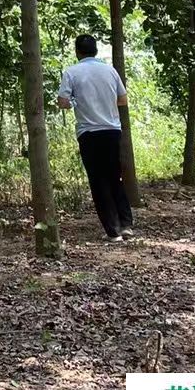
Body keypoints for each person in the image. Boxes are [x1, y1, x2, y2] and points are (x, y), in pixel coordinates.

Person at [57, 34, 134, 243]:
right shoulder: (110, 70)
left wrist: (77, 102)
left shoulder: (72, 72)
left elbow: (63, 102)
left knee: (98, 180)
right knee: (114, 176)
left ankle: (112, 230)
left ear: (77, 51)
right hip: (112, 130)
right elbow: (123, 99)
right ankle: (126, 224)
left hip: (89, 133)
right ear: (96, 51)